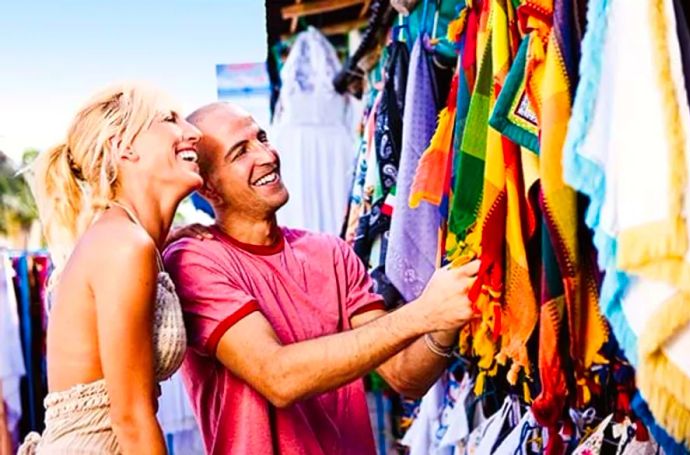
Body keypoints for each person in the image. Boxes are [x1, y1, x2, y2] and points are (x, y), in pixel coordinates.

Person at [164, 102, 480, 455]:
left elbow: (405, 376)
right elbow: (278, 377)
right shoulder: (195, 260)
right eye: (240, 152)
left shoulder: (331, 253)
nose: (267, 155)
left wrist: (448, 316)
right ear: (208, 188)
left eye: (262, 138)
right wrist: (423, 313)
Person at [18, 83, 203, 454]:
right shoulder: (123, 247)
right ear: (124, 146)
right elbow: (132, 418)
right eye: (170, 119)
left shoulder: (128, 240)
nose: (194, 133)